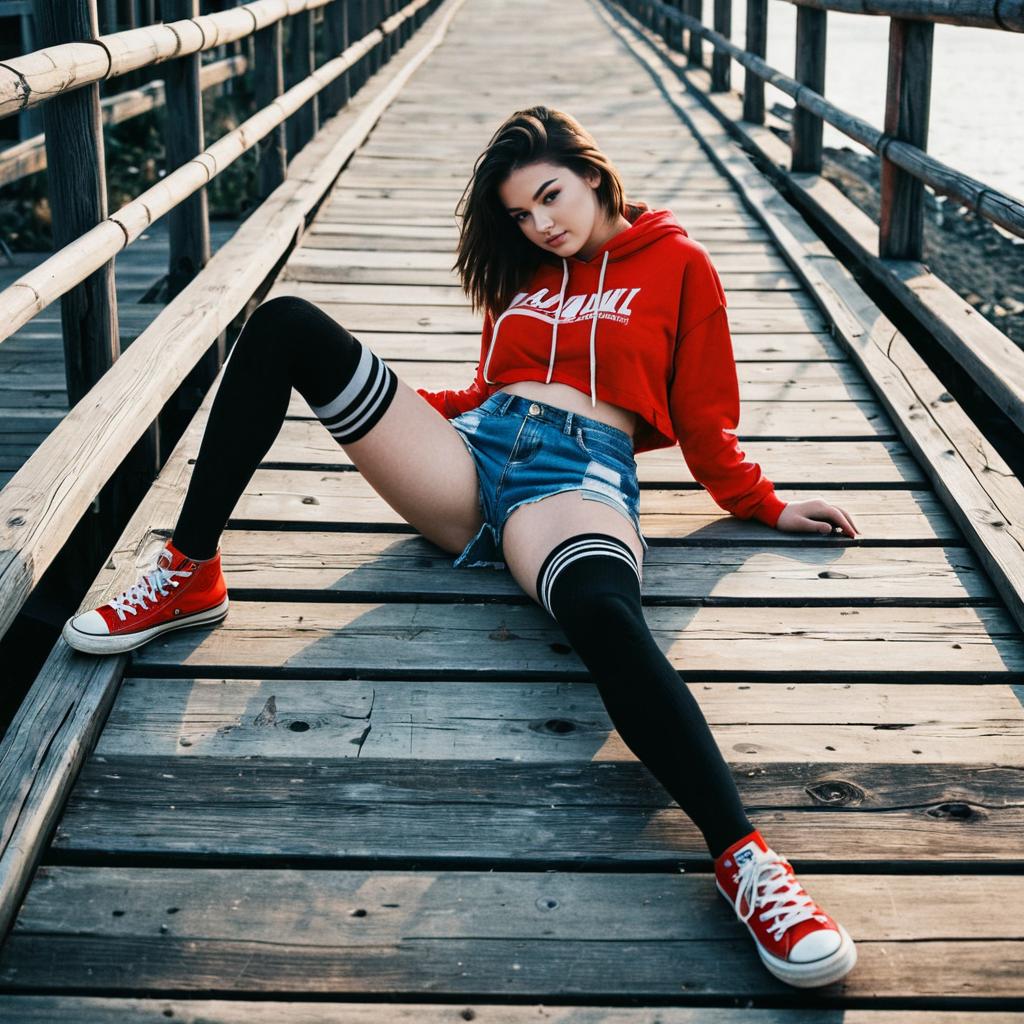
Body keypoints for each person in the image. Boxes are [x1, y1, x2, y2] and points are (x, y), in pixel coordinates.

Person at [63, 106, 858, 988]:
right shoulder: (527, 273)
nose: (542, 224)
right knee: (286, 322)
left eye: (550, 197)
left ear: (593, 175)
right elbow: (487, 388)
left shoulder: (678, 264)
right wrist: (385, 403)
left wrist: (765, 505)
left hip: (574, 480)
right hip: (472, 452)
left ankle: (747, 864)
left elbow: (706, 422)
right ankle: (189, 569)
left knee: (600, 608)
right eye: (521, 214)